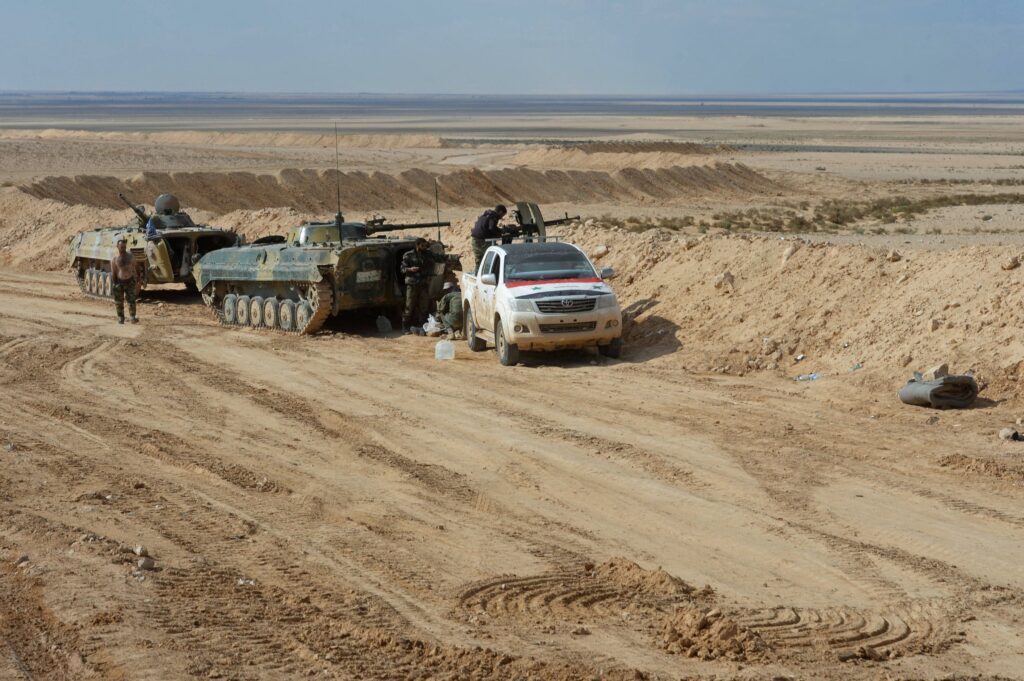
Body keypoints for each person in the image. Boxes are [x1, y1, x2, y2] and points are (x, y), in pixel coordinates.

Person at [400, 238, 443, 334]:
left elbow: (439, 257)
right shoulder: (408, 255)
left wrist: (455, 257)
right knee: (409, 306)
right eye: (422, 246)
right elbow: (402, 269)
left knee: (424, 306)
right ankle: (405, 326)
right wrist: (410, 269)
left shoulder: (427, 254)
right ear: (417, 245)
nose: (425, 247)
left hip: (423, 284)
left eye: (425, 246)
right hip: (412, 284)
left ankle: (422, 325)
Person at [470, 204, 507, 272]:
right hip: (482, 242)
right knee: (498, 254)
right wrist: (501, 231)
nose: (501, 217)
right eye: (502, 215)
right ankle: (498, 273)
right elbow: (491, 228)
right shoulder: (493, 216)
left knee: (479, 260)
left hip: (474, 241)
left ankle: (477, 274)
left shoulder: (485, 215)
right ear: (500, 212)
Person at [109, 238, 138, 324]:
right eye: (121, 247)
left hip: (130, 281)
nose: (123, 248)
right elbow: (113, 272)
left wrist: (138, 277)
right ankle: (120, 318)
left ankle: (132, 317)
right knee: (119, 302)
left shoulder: (130, 256)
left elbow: (136, 266)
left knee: (131, 301)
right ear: (117, 247)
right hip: (119, 282)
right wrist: (114, 284)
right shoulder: (114, 259)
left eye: (124, 247)